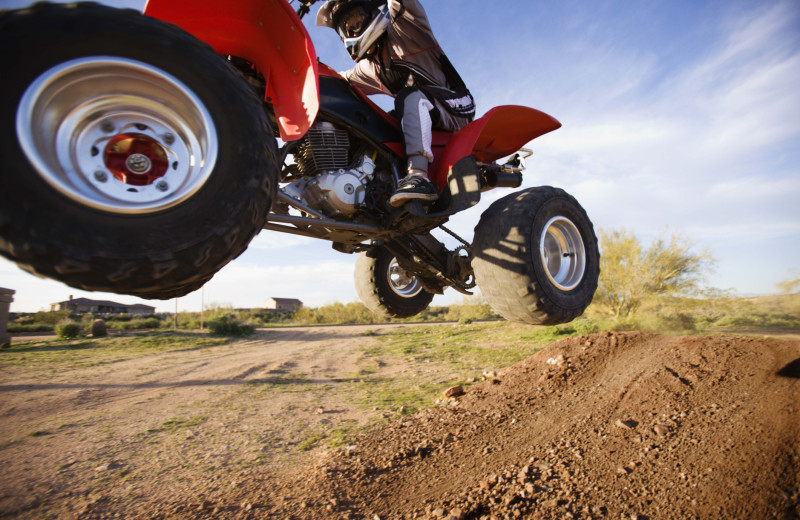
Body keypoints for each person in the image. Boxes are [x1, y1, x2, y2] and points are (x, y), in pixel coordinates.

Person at [317, 0, 475, 207]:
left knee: (409, 96)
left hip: (457, 105)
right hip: (421, 111)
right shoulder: (369, 68)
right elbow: (335, 80)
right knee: (374, 124)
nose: (353, 28)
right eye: (347, 26)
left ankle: (418, 176)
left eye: (357, 18)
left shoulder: (406, 29)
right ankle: (374, 191)